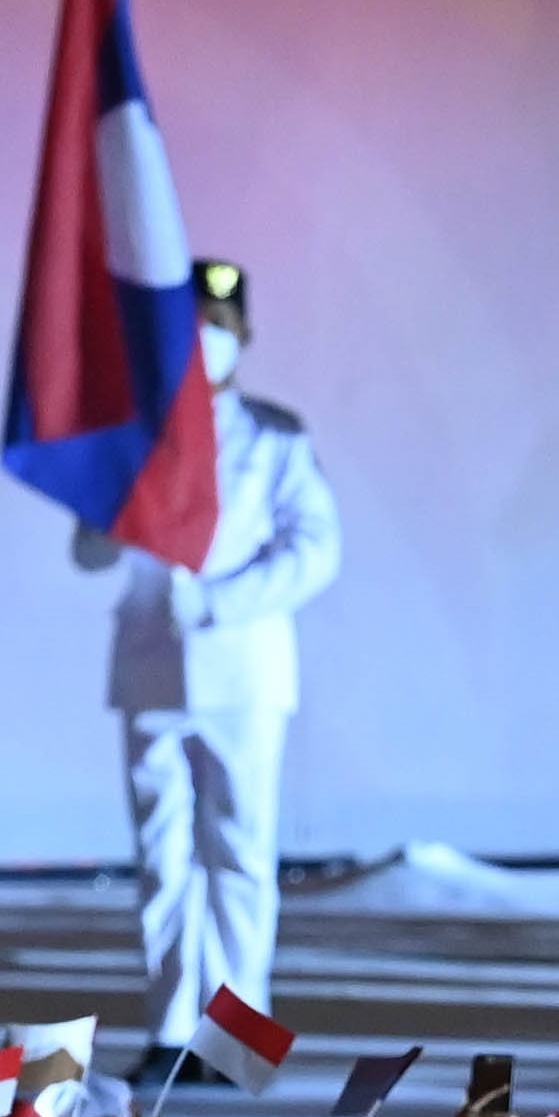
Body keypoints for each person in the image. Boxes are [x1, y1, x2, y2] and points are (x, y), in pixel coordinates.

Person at [84, 259, 341, 1035]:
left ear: (244, 337)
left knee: (239, 858)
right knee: (163, 862)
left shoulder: (274, 438)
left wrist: (223, 603)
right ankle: (168, 1033)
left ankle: (237, 1041)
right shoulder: (138, 440)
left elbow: (316, 549)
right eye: (191, 328)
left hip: (243, 671)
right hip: (152, 670)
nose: (204, 342)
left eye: (218, 329)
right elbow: (89, 551)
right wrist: (107, 505)